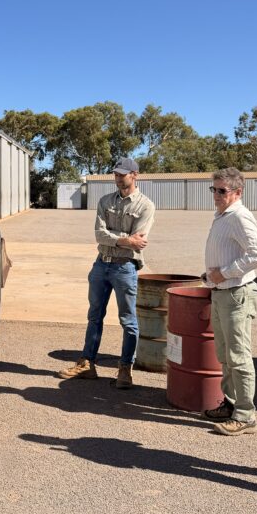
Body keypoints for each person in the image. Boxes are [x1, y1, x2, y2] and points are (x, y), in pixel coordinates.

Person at [59, 157, 155, 389]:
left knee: (128, 321)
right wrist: (124, 239)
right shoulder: (105, 201)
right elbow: (99, 235)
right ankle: (87, 364)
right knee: (94, 316)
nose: (118, 178)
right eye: (116, 174)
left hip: (125, 268)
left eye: (123, 174)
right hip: (101, 265)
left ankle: (125, 369)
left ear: (135, 175)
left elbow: (138, 241)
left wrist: (119, 239)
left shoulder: (145, 206)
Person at [202, 168, 257, 435]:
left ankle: (245, 415)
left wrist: (224, 273)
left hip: (236, 293)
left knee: (238, 356)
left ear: (238, 192)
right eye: (214, 190)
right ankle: (230, 404)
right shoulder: (223, 215)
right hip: (221, 292)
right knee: (225, 355)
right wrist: (212, 276)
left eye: (222, 191)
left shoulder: (240, 216)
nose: (216, 195)